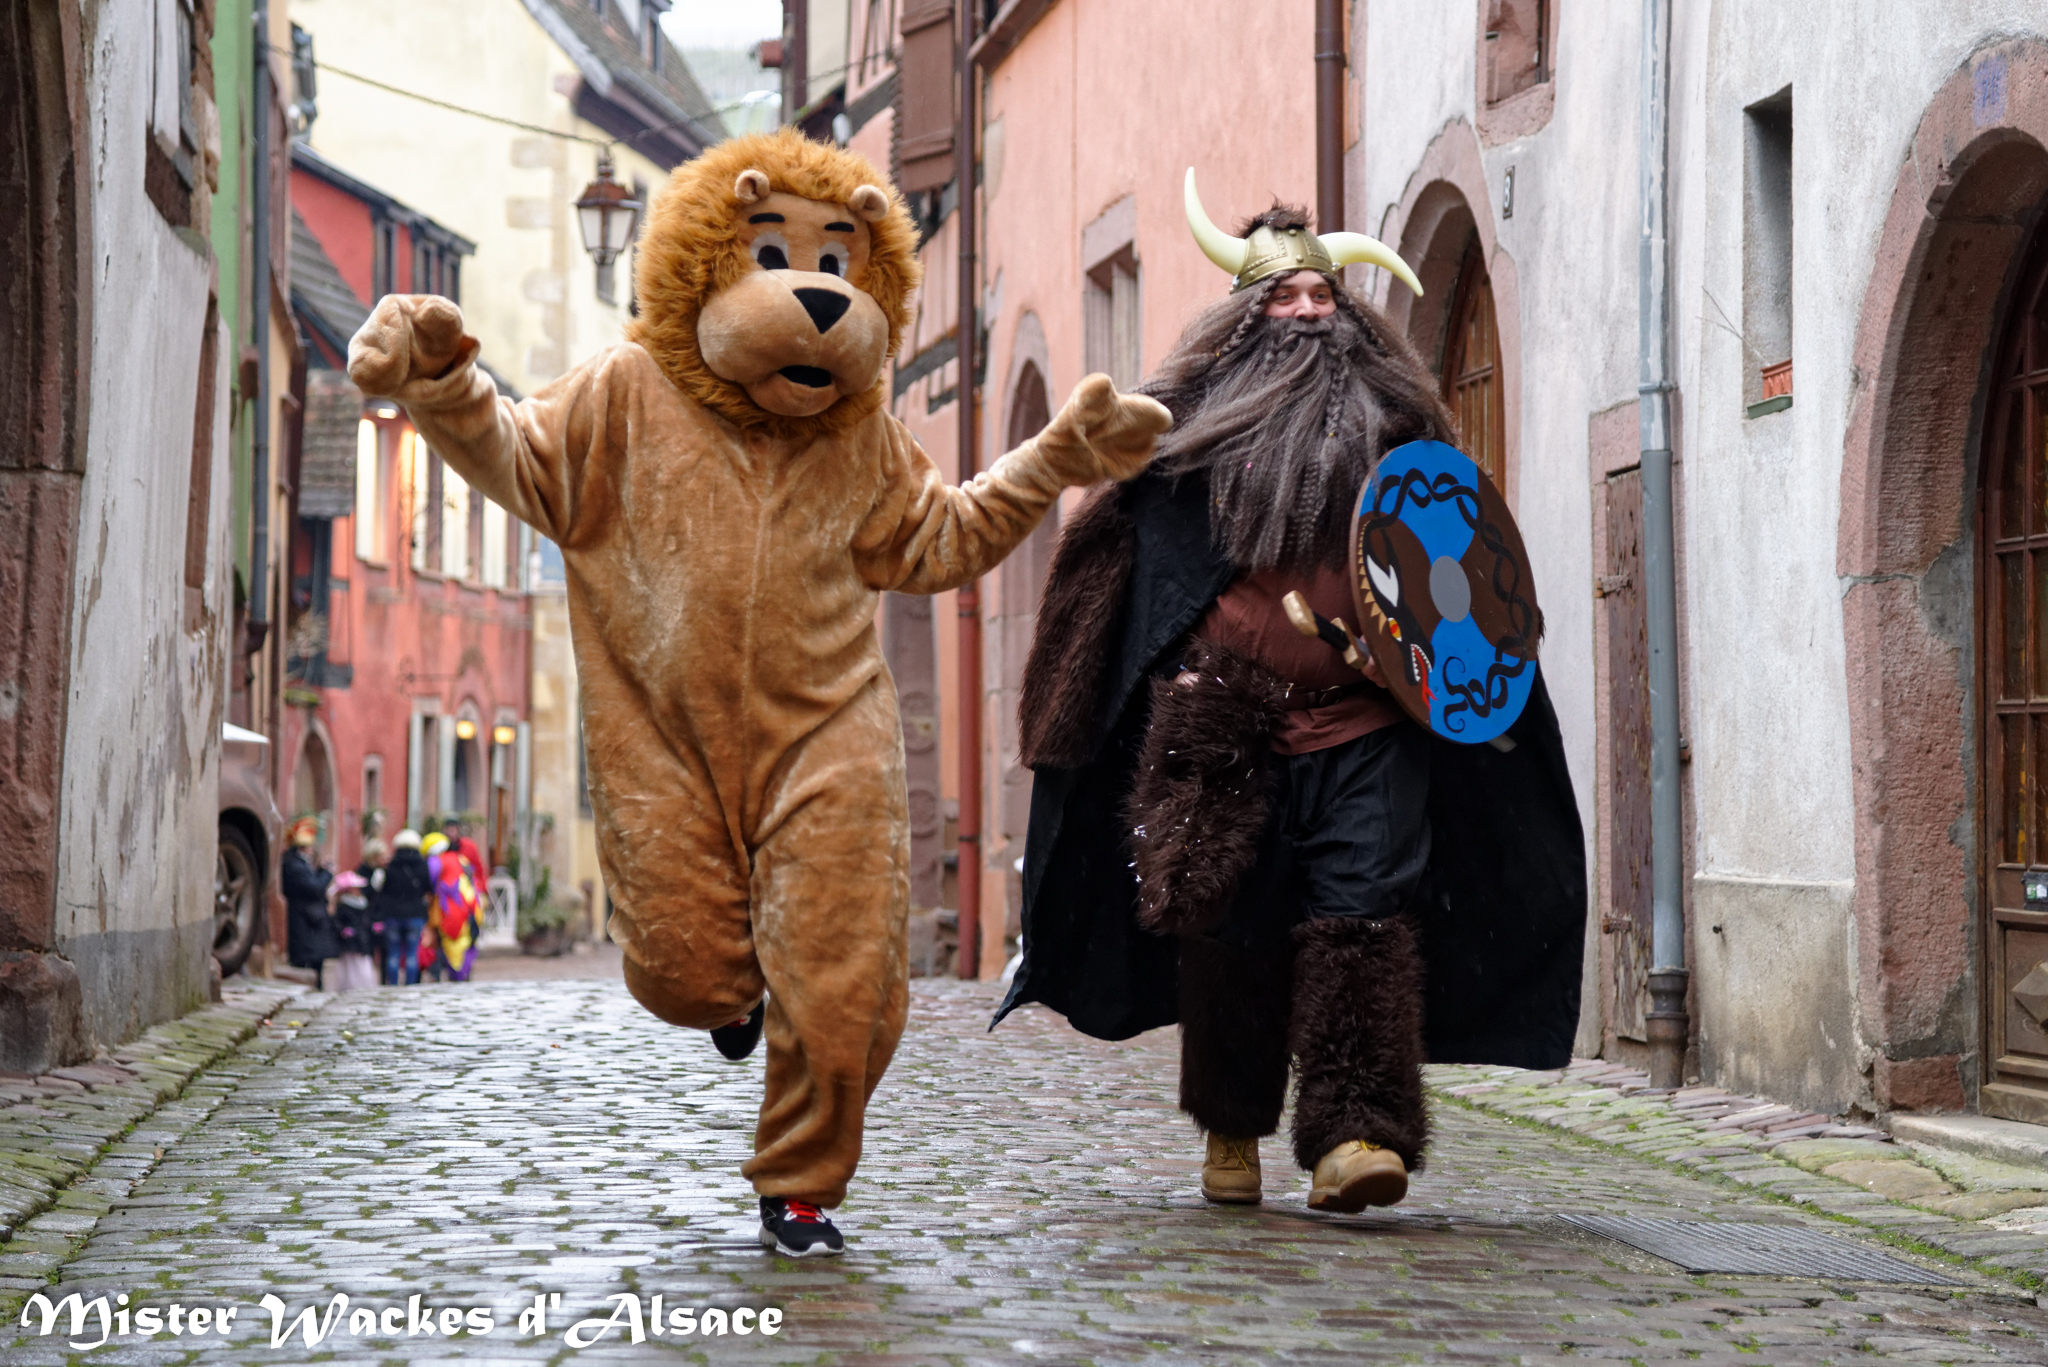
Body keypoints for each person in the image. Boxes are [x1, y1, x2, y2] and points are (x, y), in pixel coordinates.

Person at [346, 128, 1166, 1256]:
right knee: (681, 975)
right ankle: (730, 995)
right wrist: (442, 383)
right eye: (774, 253)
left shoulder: (861, 435)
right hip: (662, 743)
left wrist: (1052, 458)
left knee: (842, 983)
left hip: (829, 733)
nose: (816, 295)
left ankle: (799, 1184)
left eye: (837, 265)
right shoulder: (625, 396)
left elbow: (942, 536)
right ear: (704, 263)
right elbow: (520, 458)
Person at [997, 185, 1585, 1213]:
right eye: (1283, 297)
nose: (1308, 311)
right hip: (1220, 719)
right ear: (1244, 317)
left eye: (1322, 293)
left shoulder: (1399, 426)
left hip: (1368, 721)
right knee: (1227, 927)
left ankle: (1353, 1133)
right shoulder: (1182, 442)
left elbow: (1449, 562)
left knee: (1364, 914)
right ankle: (1230, 1124)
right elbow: (1123, 575)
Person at [280, 818, 337, 983]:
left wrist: (320, 871)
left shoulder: (299, 864)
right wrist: (326, 873)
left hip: (311, 919)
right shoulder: (293, 865)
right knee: (307, 960)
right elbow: (314, 888)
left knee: (315, 959)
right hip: (304, 920)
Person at [378, 829, 434, 986]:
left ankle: (393, 984)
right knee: (411, 953)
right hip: (415, 915)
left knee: (394, 954)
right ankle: (410, 985)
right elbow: (428, 888)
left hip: (393, 914)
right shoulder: (422, 866)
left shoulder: (390, 866)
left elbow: (383, 891)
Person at [423, 831, 481, 982]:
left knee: (447, 946)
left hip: (449, 912)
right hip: (470, 909)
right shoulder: (461, 860)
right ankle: (461, 975)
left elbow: (430, 883)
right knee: (465, 945)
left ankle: (451, 975)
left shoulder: (437, 862)